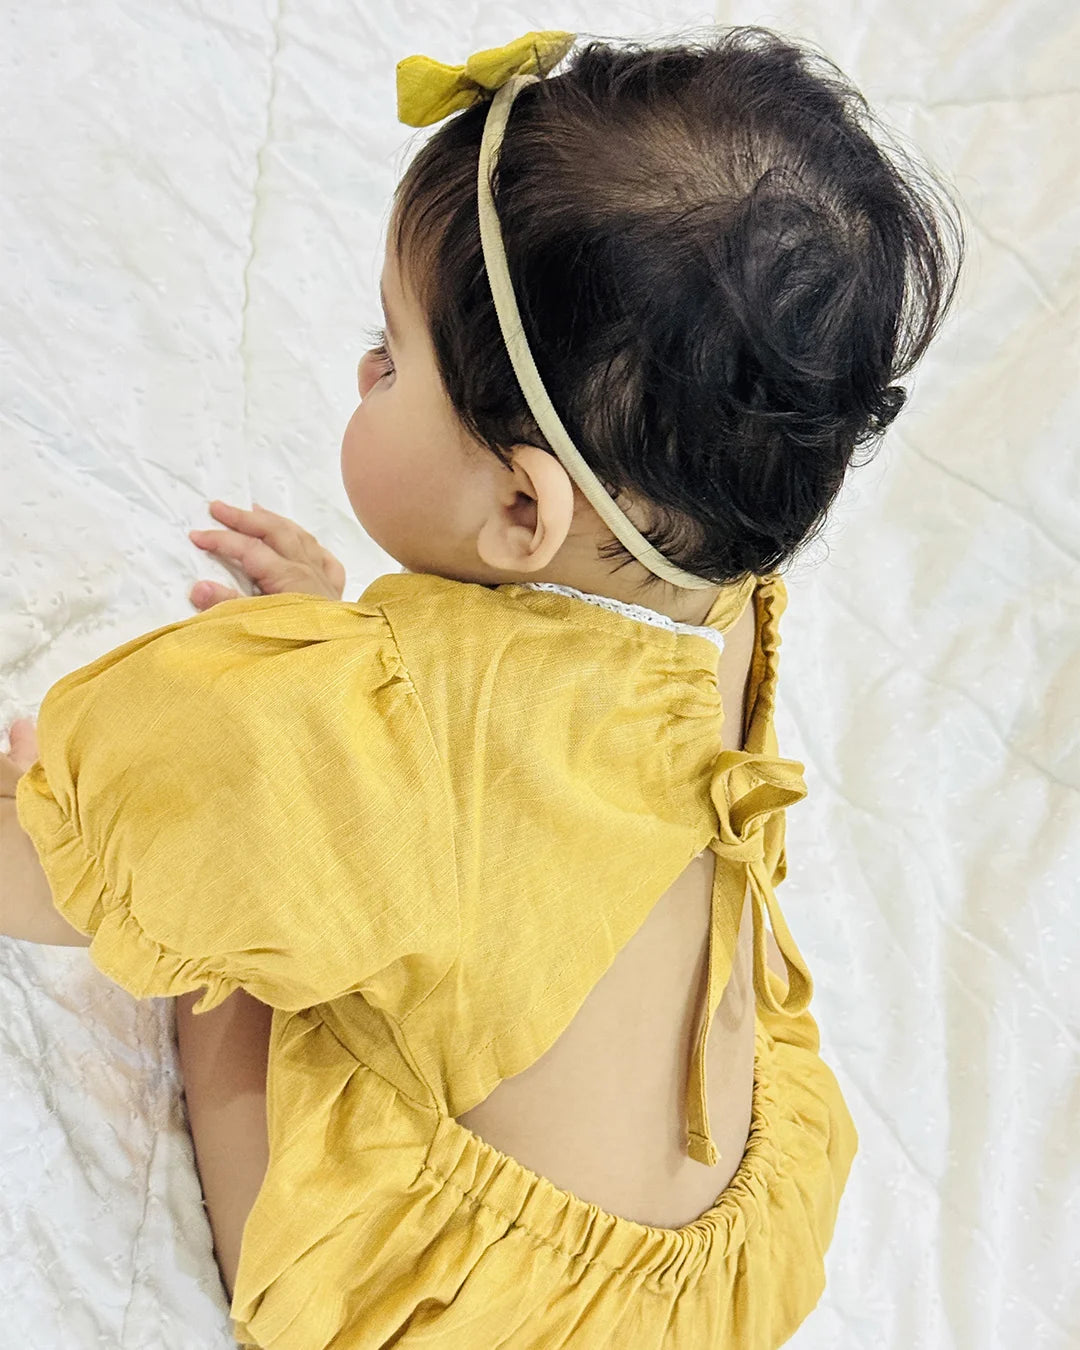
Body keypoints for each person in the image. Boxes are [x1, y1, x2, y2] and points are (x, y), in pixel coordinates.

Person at [5, 25, 963, 1349]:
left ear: (523, 507)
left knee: (223, 969)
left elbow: (81, 859)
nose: (359, 375)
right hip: (717, 1268)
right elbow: (529, 801)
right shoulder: (715, 592)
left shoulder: (390, 727)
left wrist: (59, 809)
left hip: (477, 1308)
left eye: (390, 358)